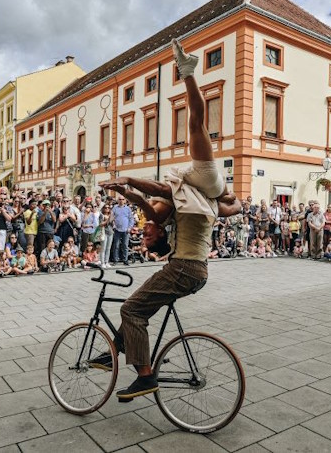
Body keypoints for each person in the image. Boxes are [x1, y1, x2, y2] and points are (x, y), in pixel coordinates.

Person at [93, 39, 242, 401]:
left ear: (162, 235)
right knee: (139, 305)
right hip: (194, 267)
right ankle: (117, 346)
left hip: (186, 269)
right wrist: (231, 201)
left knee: (131, 308)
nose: (144, 235)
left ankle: (144, 375)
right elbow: (154, 209)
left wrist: (128, 182)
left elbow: (155, 197)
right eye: (146, 237)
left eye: (145, 236)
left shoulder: (184, 201)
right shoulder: (190, 204)